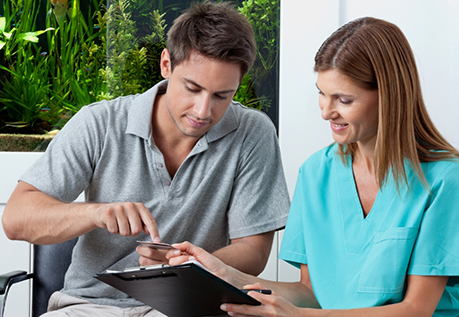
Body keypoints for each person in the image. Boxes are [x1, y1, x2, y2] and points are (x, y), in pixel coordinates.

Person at [164, 17, 459, 317]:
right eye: (322, 94)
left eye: (344, 100)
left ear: (389, 96)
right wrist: (225, 274)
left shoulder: (442, 179)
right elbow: (310, 293)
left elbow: (415, 309)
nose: (326, 112)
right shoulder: (316, 173)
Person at [1, 1, 290, 316]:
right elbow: (15, 220)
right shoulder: (99, 123)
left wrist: (195, 264)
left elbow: (254, 250)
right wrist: (95, 214)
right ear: (166, 64)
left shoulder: (253, 132)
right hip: (89, 306)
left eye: (222, 95)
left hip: (188, 308)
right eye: (192, 88)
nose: (203, 111)